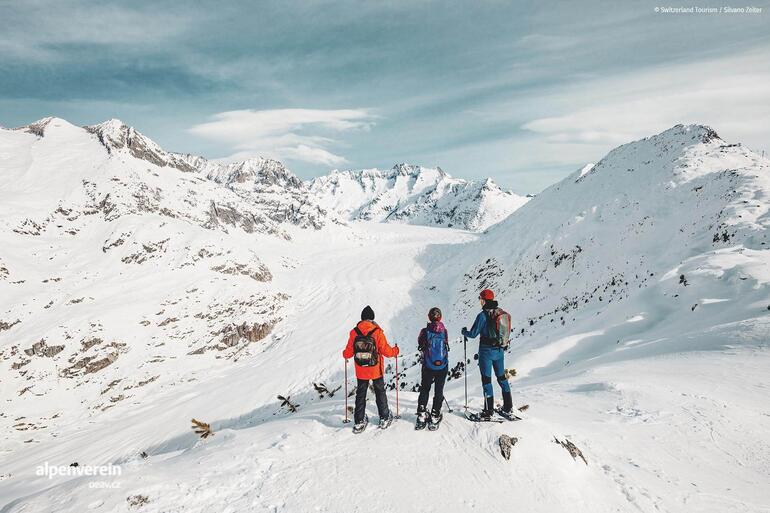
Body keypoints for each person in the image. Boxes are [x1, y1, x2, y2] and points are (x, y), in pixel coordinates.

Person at [342, 305, 400, 433]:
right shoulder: (377, 332)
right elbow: (386, 351)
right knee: (380, 392)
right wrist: (396, 350)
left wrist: (344, 354)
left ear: (362, 318)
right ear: (372, 318)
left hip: (361, 370)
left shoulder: (354, 332)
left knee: (361, 394)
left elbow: (348, 353)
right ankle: (384, 417)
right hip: (375, 369)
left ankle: (359, 421)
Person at [461, 289, 514, 420]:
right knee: (502, 378)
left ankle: (488, 411)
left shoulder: (482, 316)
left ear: (483, 300)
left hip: (486, 352)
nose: (480, 301)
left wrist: (464, 332)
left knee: (486, 381)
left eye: (480, 299)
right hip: (499, 351)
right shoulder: (500, 313)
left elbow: (473, 334)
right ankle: (508, 407)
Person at [415, 307, 449, 430]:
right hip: (442, 366)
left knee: (425, 389)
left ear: (429, 317)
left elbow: (420, 343)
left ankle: (422, 414)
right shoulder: (444, 331)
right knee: (438, 390)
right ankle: (435, 415)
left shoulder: (424, 331)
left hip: (428, 365)